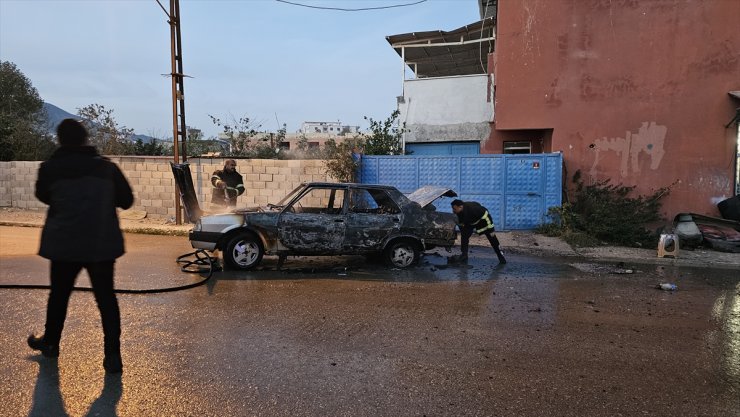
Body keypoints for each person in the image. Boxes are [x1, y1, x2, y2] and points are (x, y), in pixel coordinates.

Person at [27, 118, 134, 374]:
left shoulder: (49, 168)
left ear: (60, 140)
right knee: (106, 299)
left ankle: (51, 344)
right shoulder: (107, 169)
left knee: (59, 296)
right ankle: (113, 356)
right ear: (86, 139)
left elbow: (42, 195)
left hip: (64, 243)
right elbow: (127, 201)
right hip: (101, 243)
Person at [449, 199, 507, 264]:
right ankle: (464, 255)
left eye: (454, 209)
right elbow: (461, 224)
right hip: (470, 223)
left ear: (460, 207)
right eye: (452, 209)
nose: (453, 211)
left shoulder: (474, 209)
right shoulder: (458, 213)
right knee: (464, 237)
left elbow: (486, 216)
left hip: (482, 222)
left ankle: (501, 256)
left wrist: (491, 229)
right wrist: (463, 230)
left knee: (492, 238)